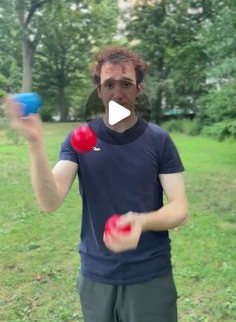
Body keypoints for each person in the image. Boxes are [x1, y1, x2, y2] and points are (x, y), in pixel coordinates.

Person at [6, 46, 188, 322]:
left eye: (126, 84)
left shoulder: (158, 140)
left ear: (138, 89)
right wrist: (35, 143)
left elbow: (180, 208)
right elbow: (50, 201)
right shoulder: (80, 139)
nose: (117, 93)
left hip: (150, 275)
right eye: (109, 84)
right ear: (99, 91)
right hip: (96, 276)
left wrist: (141, 221)